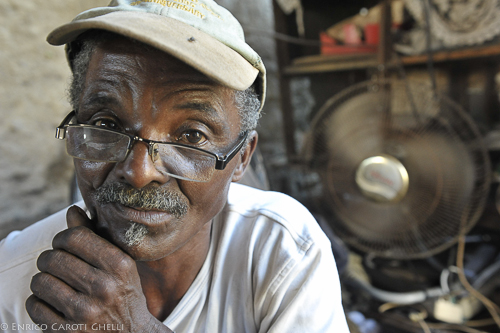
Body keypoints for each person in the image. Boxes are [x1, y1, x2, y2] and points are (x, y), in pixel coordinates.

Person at [0, 1, 350, 332]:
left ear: (243, 157)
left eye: (192, 135)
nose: (139, 173)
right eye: (106, 125)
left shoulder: (283, 250)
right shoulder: (13, 276)